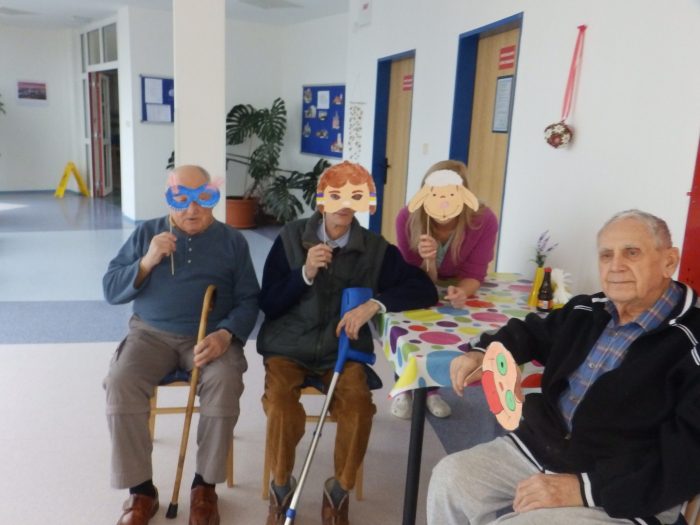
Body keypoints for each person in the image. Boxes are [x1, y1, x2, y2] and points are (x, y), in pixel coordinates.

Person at [427, 209, 700, 525]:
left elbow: (689, 457)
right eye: (606, 255)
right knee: (450, 479)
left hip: (626, 486)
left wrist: (585, 489)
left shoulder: (692, 343)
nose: (616, 266)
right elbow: (532, 332)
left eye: (632, 252)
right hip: (546, 447)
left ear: (669, 261)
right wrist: (483, 351)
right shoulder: (589, 309)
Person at [257, 161, 437, 525]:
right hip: (288, 347)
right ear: (321, 199)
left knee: (358, 408)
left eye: (354, 195)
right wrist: (305, 273)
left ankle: (338, 491)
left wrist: (375, 304)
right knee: (280, 405)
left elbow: (423, 288)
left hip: (343, 348)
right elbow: (269, 302)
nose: (343, 205)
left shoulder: (374, 248)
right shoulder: (290, 237)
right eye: (335, 195)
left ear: (364, 201)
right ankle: (281, 486)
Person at [103, 165, 259, 525]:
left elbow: (250, 299)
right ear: (168, 199)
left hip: (210, 337)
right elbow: (111, 289)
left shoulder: (232, 241)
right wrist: (147, 261)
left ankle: (204, 487)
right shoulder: (147, 233)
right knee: (120, 380)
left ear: (213, 199)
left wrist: (226, 335)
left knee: (225, 380)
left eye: (202, 199)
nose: (192, 210)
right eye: (181, 200)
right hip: (150, 334)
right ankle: (141, 491)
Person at [393, 160, 498, 419]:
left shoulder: (483, 220)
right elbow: (412, 277)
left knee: (445, 335)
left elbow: (475, 272)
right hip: (418, 282)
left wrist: (462, 291)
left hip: (458, 282)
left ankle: (431, 390)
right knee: (408, 330)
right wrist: (428, 261)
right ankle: (403, 386)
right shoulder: (407, 217)